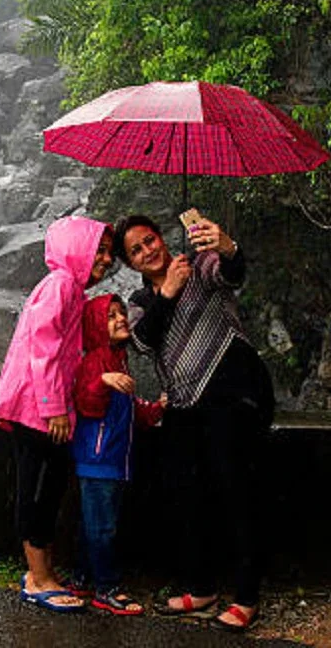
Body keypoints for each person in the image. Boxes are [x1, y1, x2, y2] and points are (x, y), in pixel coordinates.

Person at [113, 212, 275, 632]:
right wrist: (167, 293)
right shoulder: (140, 301)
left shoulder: (200, 265)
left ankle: (246, 596)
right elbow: (143, 342)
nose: (147, 251)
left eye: (149, 241)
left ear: (161, 239)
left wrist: (227, 245)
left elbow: (233, 273)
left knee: (235, 490)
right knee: (184, 493)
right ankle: (200, 586)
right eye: (136, 251)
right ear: (130, 264)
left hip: (234, 393)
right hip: (185, 403)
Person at [0, 215, 114, 614]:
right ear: (76, 249)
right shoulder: (60, 285)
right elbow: (42, 349)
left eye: (110, 253)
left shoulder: (70, 289)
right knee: (38, 490)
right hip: (37, 410)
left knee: (50, 486)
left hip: (43, 409)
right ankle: (36, 578)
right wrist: (54, 407)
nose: (107, 260)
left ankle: (42, 573)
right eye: (100, 250)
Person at [69, 294, 165, 616]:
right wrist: (102, 381)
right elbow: (85, 400)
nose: (121, 319)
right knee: (103, 527)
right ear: (96, 328)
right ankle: (106, 588)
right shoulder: (95, 361)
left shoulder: (117, 358)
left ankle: (81, 579)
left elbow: (128, 408)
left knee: (92, 524)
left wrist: (154, 411)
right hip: (98, 461)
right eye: (110, 316)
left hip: (111, 460)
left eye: (121, 313)